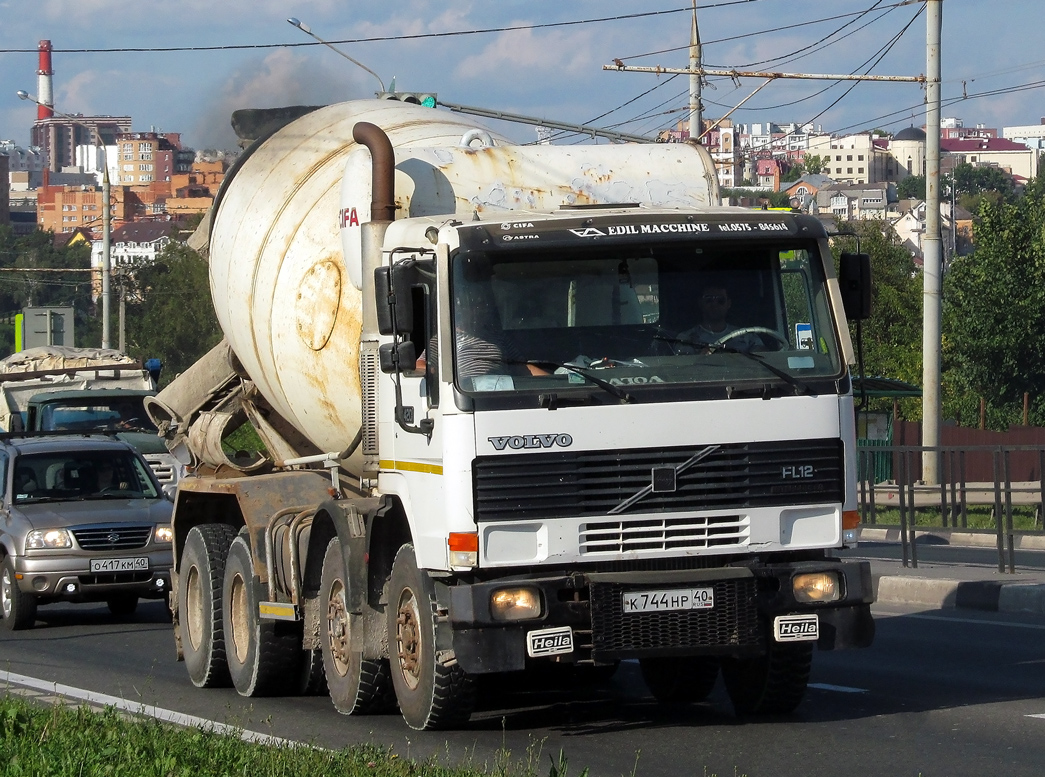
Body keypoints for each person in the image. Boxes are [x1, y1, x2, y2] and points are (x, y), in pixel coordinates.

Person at [676, 284, 761, 354]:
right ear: (700, 303)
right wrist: (700, 357)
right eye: (709, 300)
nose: (714, 304)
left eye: (720, 300)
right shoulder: (686, 339)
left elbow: (764, 359)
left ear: (728, 304)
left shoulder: (747, 337)